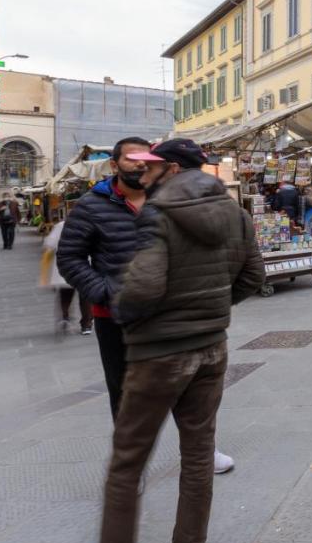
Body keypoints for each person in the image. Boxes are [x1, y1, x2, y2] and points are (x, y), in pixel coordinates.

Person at [82, 138, 264, 543]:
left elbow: (142, 288)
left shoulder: (159, 213)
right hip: (211, 349)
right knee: (199, 453)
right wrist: (213, 310)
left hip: (158, 354)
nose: (143, 173)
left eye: (151, 166)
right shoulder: (237, 215)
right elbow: (252, 278)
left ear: (173, 169)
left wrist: (123, 311)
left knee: (128, 460)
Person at [58, 138, 240, 476]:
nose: (141, 165)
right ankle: (131, 466)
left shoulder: (172, 198)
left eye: (147, 160)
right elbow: (69, 258)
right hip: (117, 318)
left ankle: (204, 450)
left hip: (175, 313)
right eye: (131, 159)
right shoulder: (91, 205)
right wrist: (104, 291)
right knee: (125, 393)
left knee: (189, 389)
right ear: (114, 165)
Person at [42, 219, 92, 334]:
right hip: (84, 265)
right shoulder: (88, 223)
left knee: (65, 295)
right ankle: (86, 325)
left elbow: (49, 244)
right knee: (85, 297)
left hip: (65, 265)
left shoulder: (61, 225)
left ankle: (65, 318)